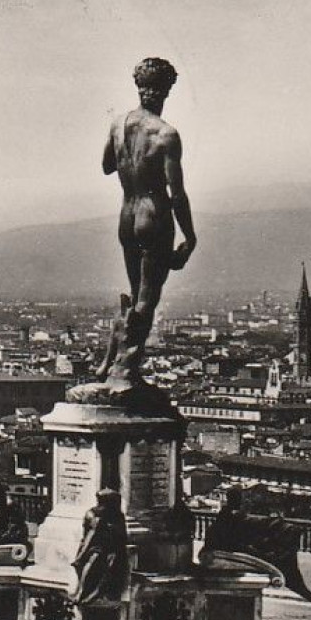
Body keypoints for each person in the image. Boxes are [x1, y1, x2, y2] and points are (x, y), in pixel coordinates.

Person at [93, 57, 197, 392]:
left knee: (135, 292)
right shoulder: (166, 134)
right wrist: (190, 237)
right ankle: (124, 369)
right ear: (166, 90)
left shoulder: (118, 124)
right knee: (147, 298)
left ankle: (109, 360)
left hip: (127, 213)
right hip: (154, 215)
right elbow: (177, 194)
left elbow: (108, 166)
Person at [203, 486, 311, 603]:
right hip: (231, 549)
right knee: (281, 557)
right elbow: (249, 527)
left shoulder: (228, 514)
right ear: (237, 500)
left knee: (280, 553)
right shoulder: (232, 515)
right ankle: (297, 585)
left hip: (229, 547)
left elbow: (251, 525)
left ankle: (297, 584)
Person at [73, 488, 130, 604]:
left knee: (102, 561)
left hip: (112, 549)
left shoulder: (117, 516)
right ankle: (81, 591)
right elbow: (88, 536)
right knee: (92, 559)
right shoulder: (93, 515)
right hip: (95, 547)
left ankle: (94, 591)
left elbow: (122, 537)